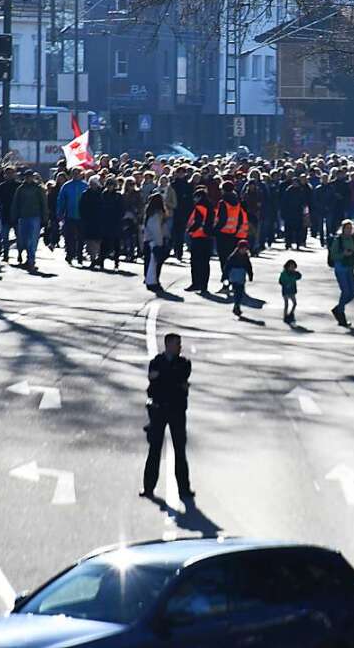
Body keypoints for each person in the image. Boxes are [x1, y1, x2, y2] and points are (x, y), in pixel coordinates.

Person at [140, 333, 194, 501]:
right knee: (154, 449)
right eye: (177, 344)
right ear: (168, 345)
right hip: (159, 409)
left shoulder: (183, 363)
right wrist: (171, 379)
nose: (180, 347)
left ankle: (184, 489)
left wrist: (164, 377)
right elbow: (154, 377)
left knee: (180, 450)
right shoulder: (156, 361)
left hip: (177, 410)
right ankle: (148, 487)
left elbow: (179, 377)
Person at [213, 182, 248, 290]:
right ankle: (235, 280)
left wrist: (215, 230)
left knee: (223, 259)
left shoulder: (223, 202)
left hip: (222, 234)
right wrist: (236, 229)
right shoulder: (238, 202)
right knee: (233, 259)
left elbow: (222, 219)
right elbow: (240, 218)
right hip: (233, 233)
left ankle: (226, 281)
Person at [11, 170, 48, 271]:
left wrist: (45, 218)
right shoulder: (20, 189)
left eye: (30, 176)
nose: (29, 178)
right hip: (23, 217)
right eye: (27, 177)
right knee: (23, 239)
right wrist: (14, 216)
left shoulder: (38, 189)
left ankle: (31, 259)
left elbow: (44, 203)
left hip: (35, 217)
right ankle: (22, 254)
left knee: (32, 239)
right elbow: (15, 203)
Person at [328, 219, 354, 327]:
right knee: (345, 291)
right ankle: (341, 314)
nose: (349, 230)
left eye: (351, 228)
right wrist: (343, 254)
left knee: (353, 293)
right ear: (343, 229)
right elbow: (333, 255)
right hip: (340, 268)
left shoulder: (352, 239)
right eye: (347, 228)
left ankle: (338, 308)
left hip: (350, 268)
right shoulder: (338, 240)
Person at [185, 188, 214, 293]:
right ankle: (204, 285)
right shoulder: (210, 207)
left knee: (196, 262)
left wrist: (189, 230)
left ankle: (196, 283)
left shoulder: (199, 207)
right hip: (208, 237)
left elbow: (197, 222)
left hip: (198, 236)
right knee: (205, 263)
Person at [56, 167, 87, 265]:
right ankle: (70, 254)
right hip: (70, 215)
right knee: (69, 236)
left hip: (82, 216)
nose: (76, 175)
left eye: (78, 173)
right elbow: (61, 200)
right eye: (74, 173)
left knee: (81, 237)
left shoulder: (85, 186)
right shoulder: (66, 186)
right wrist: (60, 213)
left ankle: (80, 255)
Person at [79, 175, 105, 269]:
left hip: (99, 220)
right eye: (91, 184)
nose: (92, 185)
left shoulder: (102, 193)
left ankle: (99, 258)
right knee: (89, 241)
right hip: (88, 220)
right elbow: (82, 207)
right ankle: (93, 258)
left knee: (98, 240)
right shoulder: (85, 194)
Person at [143, 193, 167, 292]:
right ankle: (152, 282)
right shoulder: (157, 215)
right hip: (154, 242)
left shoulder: (149, 213)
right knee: (153, 265)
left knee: (149, 263)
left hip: (148, 240)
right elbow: (156, 230)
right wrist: (160, 243)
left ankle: (150, 280)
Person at [225, 240, 254, 316]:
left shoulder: (246, 257)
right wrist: (225, 276)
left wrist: (250, 275)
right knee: (237, 291)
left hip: (242, 274)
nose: (244, 250)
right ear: (239, 248)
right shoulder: (233, 256)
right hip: (234, 275)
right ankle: (237, 305)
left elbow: (248, 266)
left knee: (240, 292)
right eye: (243, 249)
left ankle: (237, 305)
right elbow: (227, 267)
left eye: (246, 249)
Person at [280, 259, 301, 324]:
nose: (292, 268)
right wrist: (286, 284)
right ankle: (285, 316)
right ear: (287, 267)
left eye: (293, 267)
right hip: (286, 291)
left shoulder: (294, 273)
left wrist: (297, 274)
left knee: (294, 303)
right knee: (286, 304)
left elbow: (298, 277)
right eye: (291, 267)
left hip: (292, 291)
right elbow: (281, 281)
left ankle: (291, 313)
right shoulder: (284, 273)